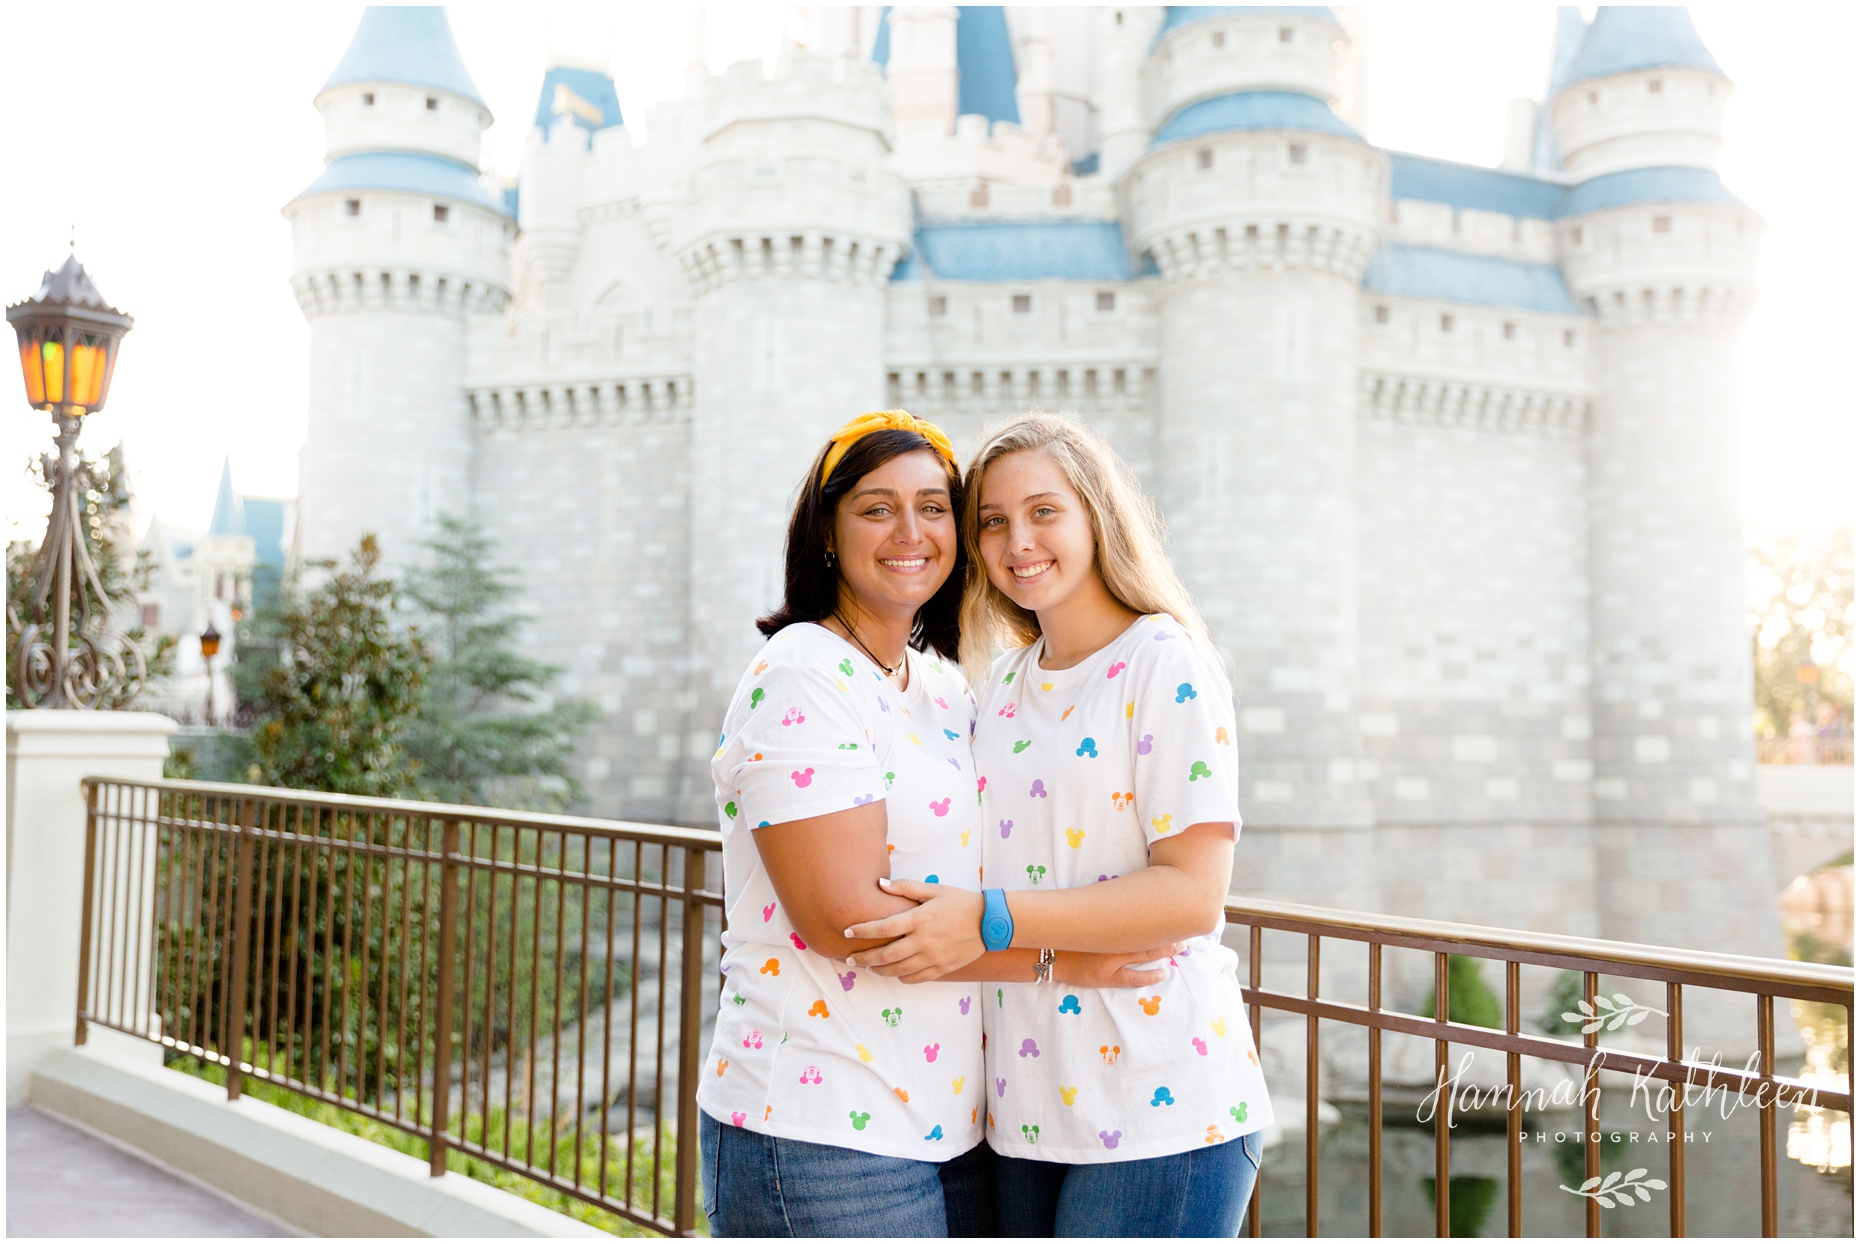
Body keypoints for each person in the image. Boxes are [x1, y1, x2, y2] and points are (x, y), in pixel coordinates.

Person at [699, 411, 1178, 1237]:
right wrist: (1061, 961)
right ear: (826, 533)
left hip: (952, 1127)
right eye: (876, 508)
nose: (910, 532)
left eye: (934, 507)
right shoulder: (804, 670)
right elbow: (847, 921)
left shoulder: (945, 688)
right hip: (821, 1123)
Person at [844, 412, 1273, 1237]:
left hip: (1162, 1105)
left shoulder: (1165, 660)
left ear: (1095, 518)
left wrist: (987, 917)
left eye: (1044, 512)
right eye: (993, 522)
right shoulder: (1001, 684)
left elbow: (1192, 896)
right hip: (1025, 1106)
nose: (1018, 541)